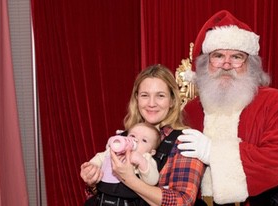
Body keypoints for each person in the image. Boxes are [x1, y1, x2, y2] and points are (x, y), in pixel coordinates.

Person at [177, 10, 278, 205]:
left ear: (251, 64)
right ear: (205, 64)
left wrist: (214, 153)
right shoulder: (191, 111)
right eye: (218, 55)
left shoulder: (276, 104)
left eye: (237, 57)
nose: (226, 64)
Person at [80, 64, 206, 206]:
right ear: (137, 99)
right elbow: (103, 194)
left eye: (160, 96)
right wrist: (93, 179)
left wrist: (130, 180)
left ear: (172, 101)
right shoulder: (124, 137)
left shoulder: (185, 141)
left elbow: (183, 201)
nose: (151, 103)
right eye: (145, 95)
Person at [85, 122, 162, 205]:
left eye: (144, 140)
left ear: (152, 152)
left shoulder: (146, 158)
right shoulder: (115, 150)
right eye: (132, 136)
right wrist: (92, 166)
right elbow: (100, 157)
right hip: (103, 197)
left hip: (128, 201)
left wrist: (141, 162)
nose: (135, 140)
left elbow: (153, 181)